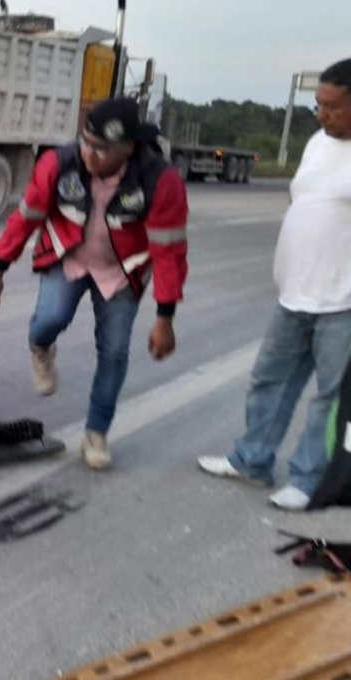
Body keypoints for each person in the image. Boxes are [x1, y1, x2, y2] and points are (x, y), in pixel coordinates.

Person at [0, 98, 189, 470]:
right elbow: (25, 218)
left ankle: (97, 432)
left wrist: (165, 317)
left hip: (122, 271)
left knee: (114, 352)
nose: (90, 154)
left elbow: (169, 251)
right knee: (49, 318)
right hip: (69, 257)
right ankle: (40, 348)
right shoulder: (59, 164)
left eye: (102, 149)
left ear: (128, 148)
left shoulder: (160, 179)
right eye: (86, 143)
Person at [198, 58, 351, 511]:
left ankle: (309, 480)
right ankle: (252, 460)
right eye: (318, 104)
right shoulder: (317, 143)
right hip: (294, 293)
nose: (321, 114)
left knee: (329, 399)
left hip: (342, 301)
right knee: (269, 380)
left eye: (333, 107)